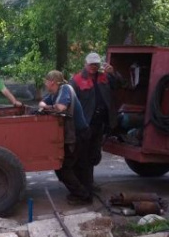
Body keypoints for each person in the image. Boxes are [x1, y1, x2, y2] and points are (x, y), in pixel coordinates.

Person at [39, 70, 92, 203]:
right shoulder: (54, 93)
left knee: (63, 167)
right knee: (75, 166)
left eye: (46, 81)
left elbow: (61, 107)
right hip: (76, 133)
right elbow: (41, 104)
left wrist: (48, 107)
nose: (45, 84)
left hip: (79, 134)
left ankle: (82, 195)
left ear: (52, 82)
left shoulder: (65, 89)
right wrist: (48, 106)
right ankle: (83, 192)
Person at [70, 52, 122, 186]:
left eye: (96, 64)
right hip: (85, 124)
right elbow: (70, 101)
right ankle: (83, 185)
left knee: (94, 155)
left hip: (100, 123)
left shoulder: (105, 77)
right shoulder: (77, 80)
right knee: (82, 155)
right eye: (91, 64)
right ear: (85, 64)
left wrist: (113, 73)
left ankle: (88, 183)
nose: (94, 66)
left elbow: (120, 85)